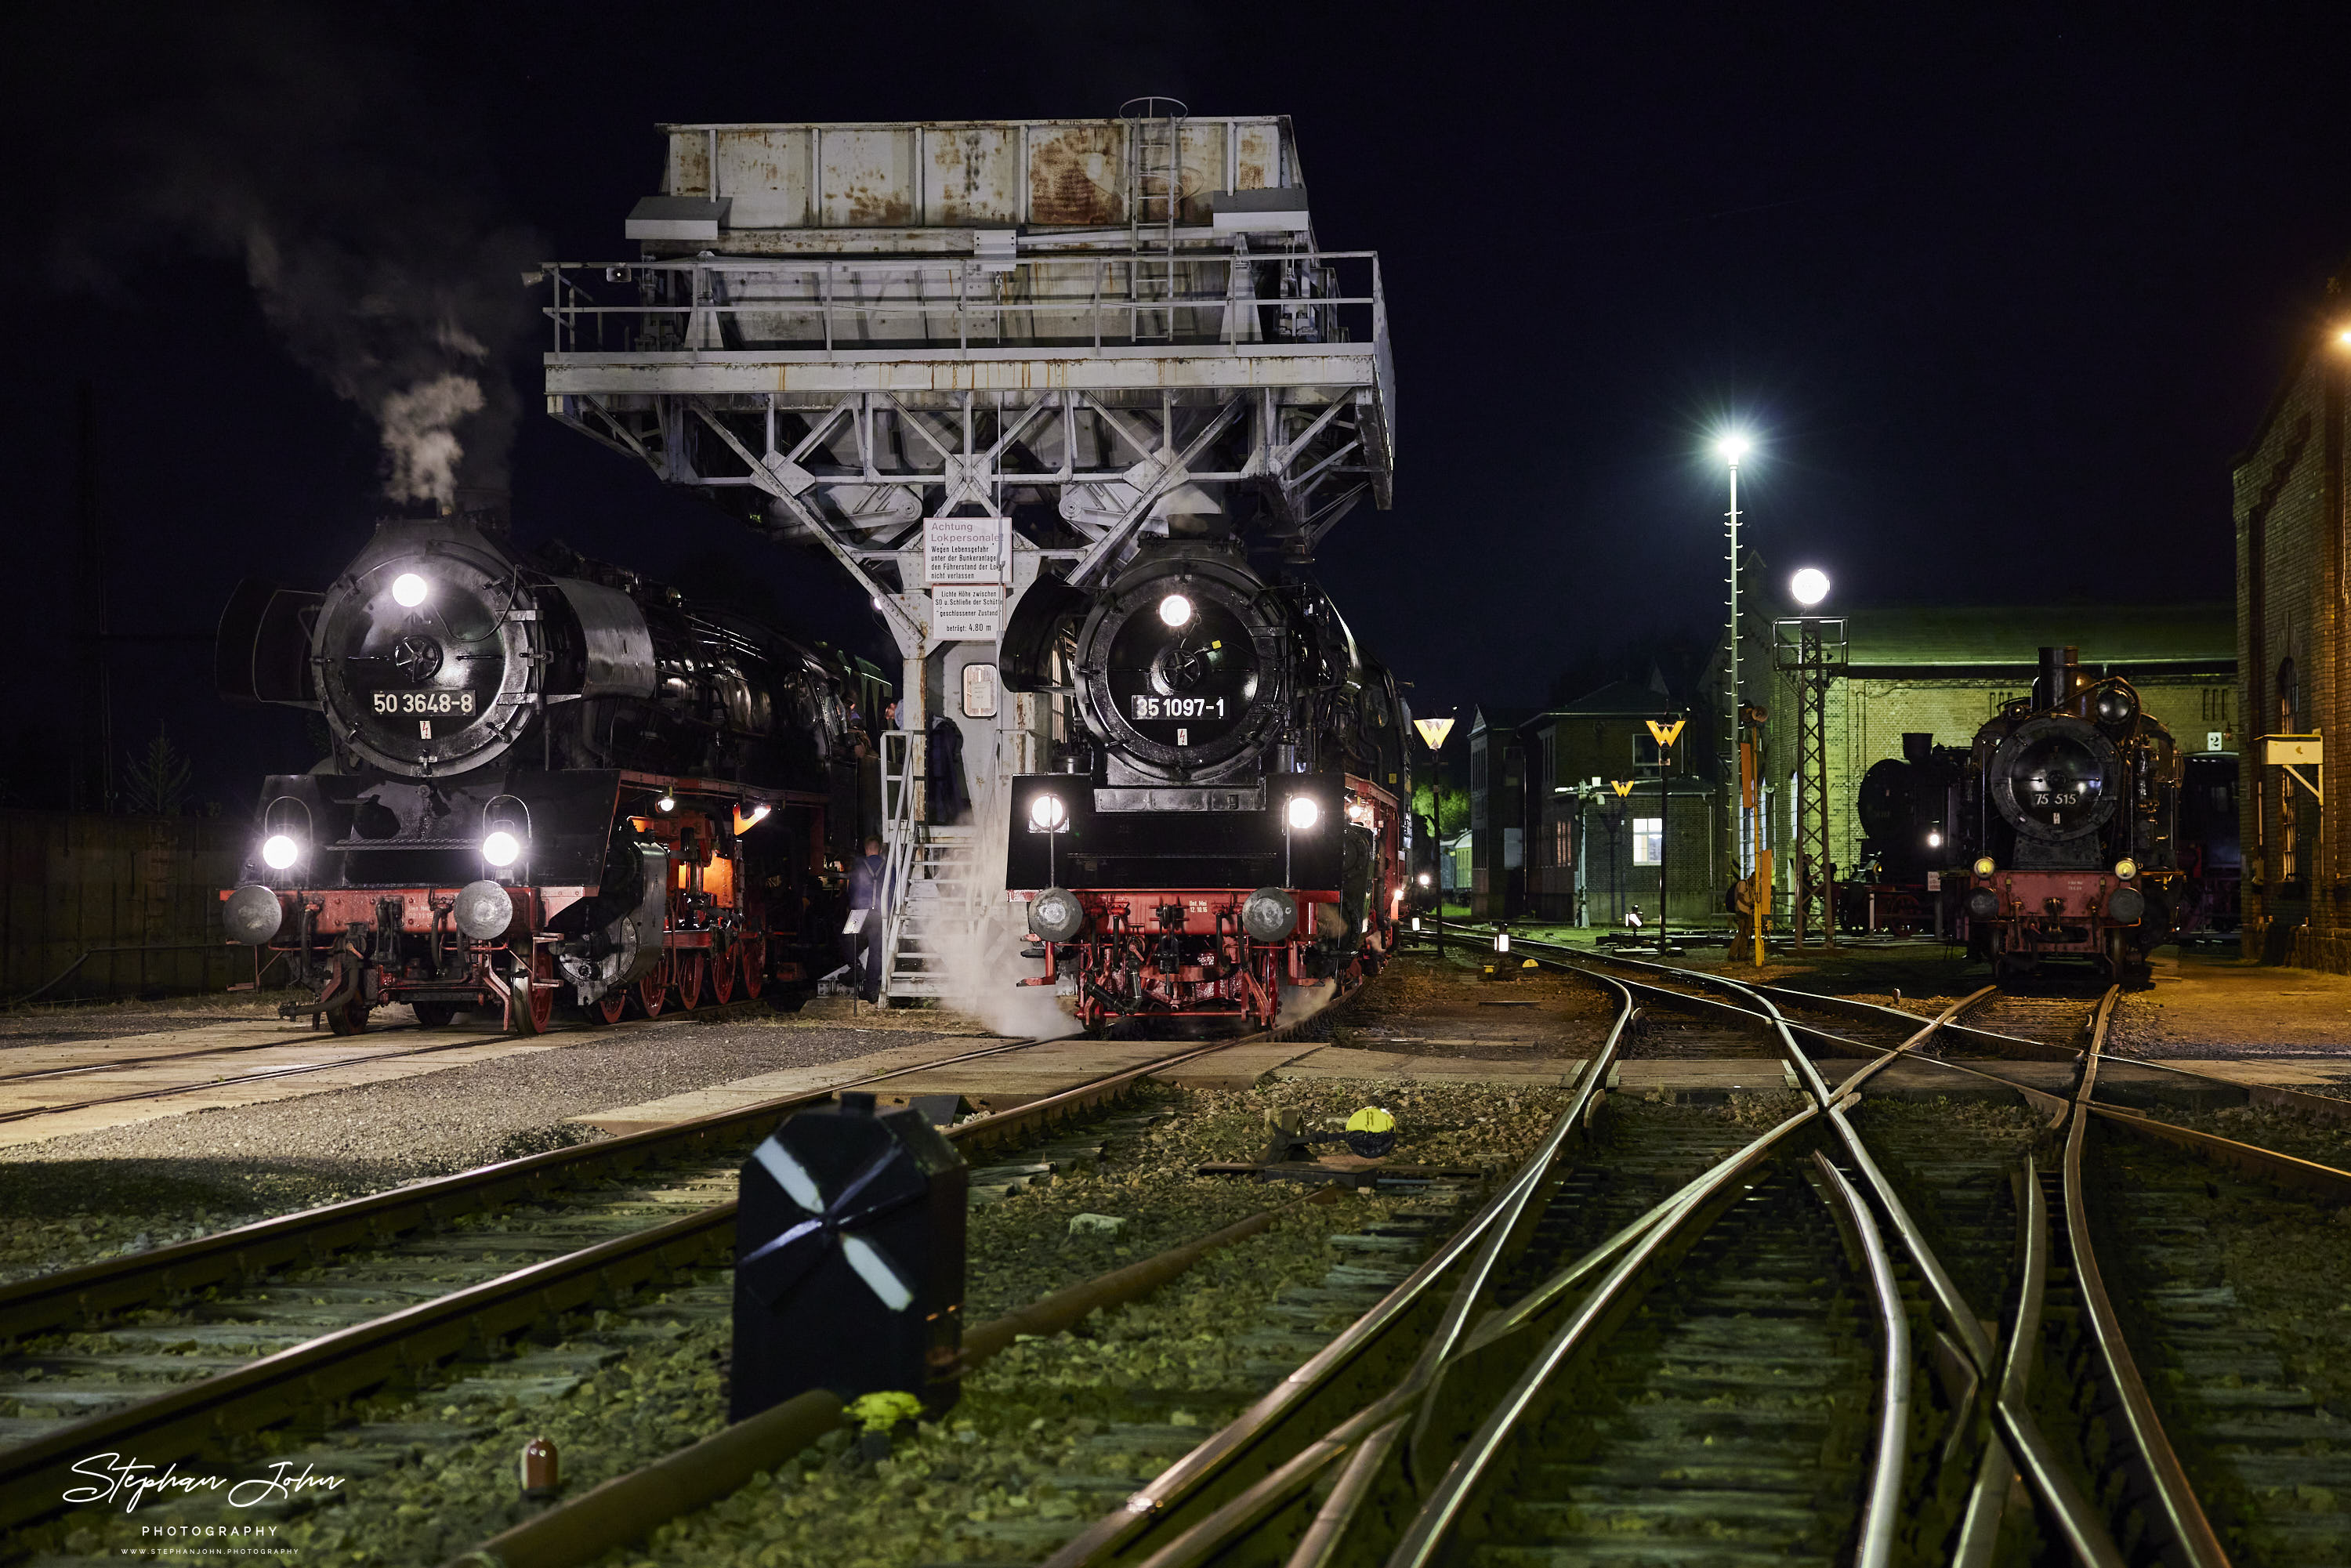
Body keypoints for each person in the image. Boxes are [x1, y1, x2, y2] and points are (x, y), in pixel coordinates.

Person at [846, 835, 886, 1002]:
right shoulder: (887, 866)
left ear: (866, 849)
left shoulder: (859, 866)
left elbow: (853, 888)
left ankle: (855, 966)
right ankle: (870, 991)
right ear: (879, 849)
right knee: (876, 953)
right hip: (879, 912)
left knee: (848, 939)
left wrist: (851, 906)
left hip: (859, 912)